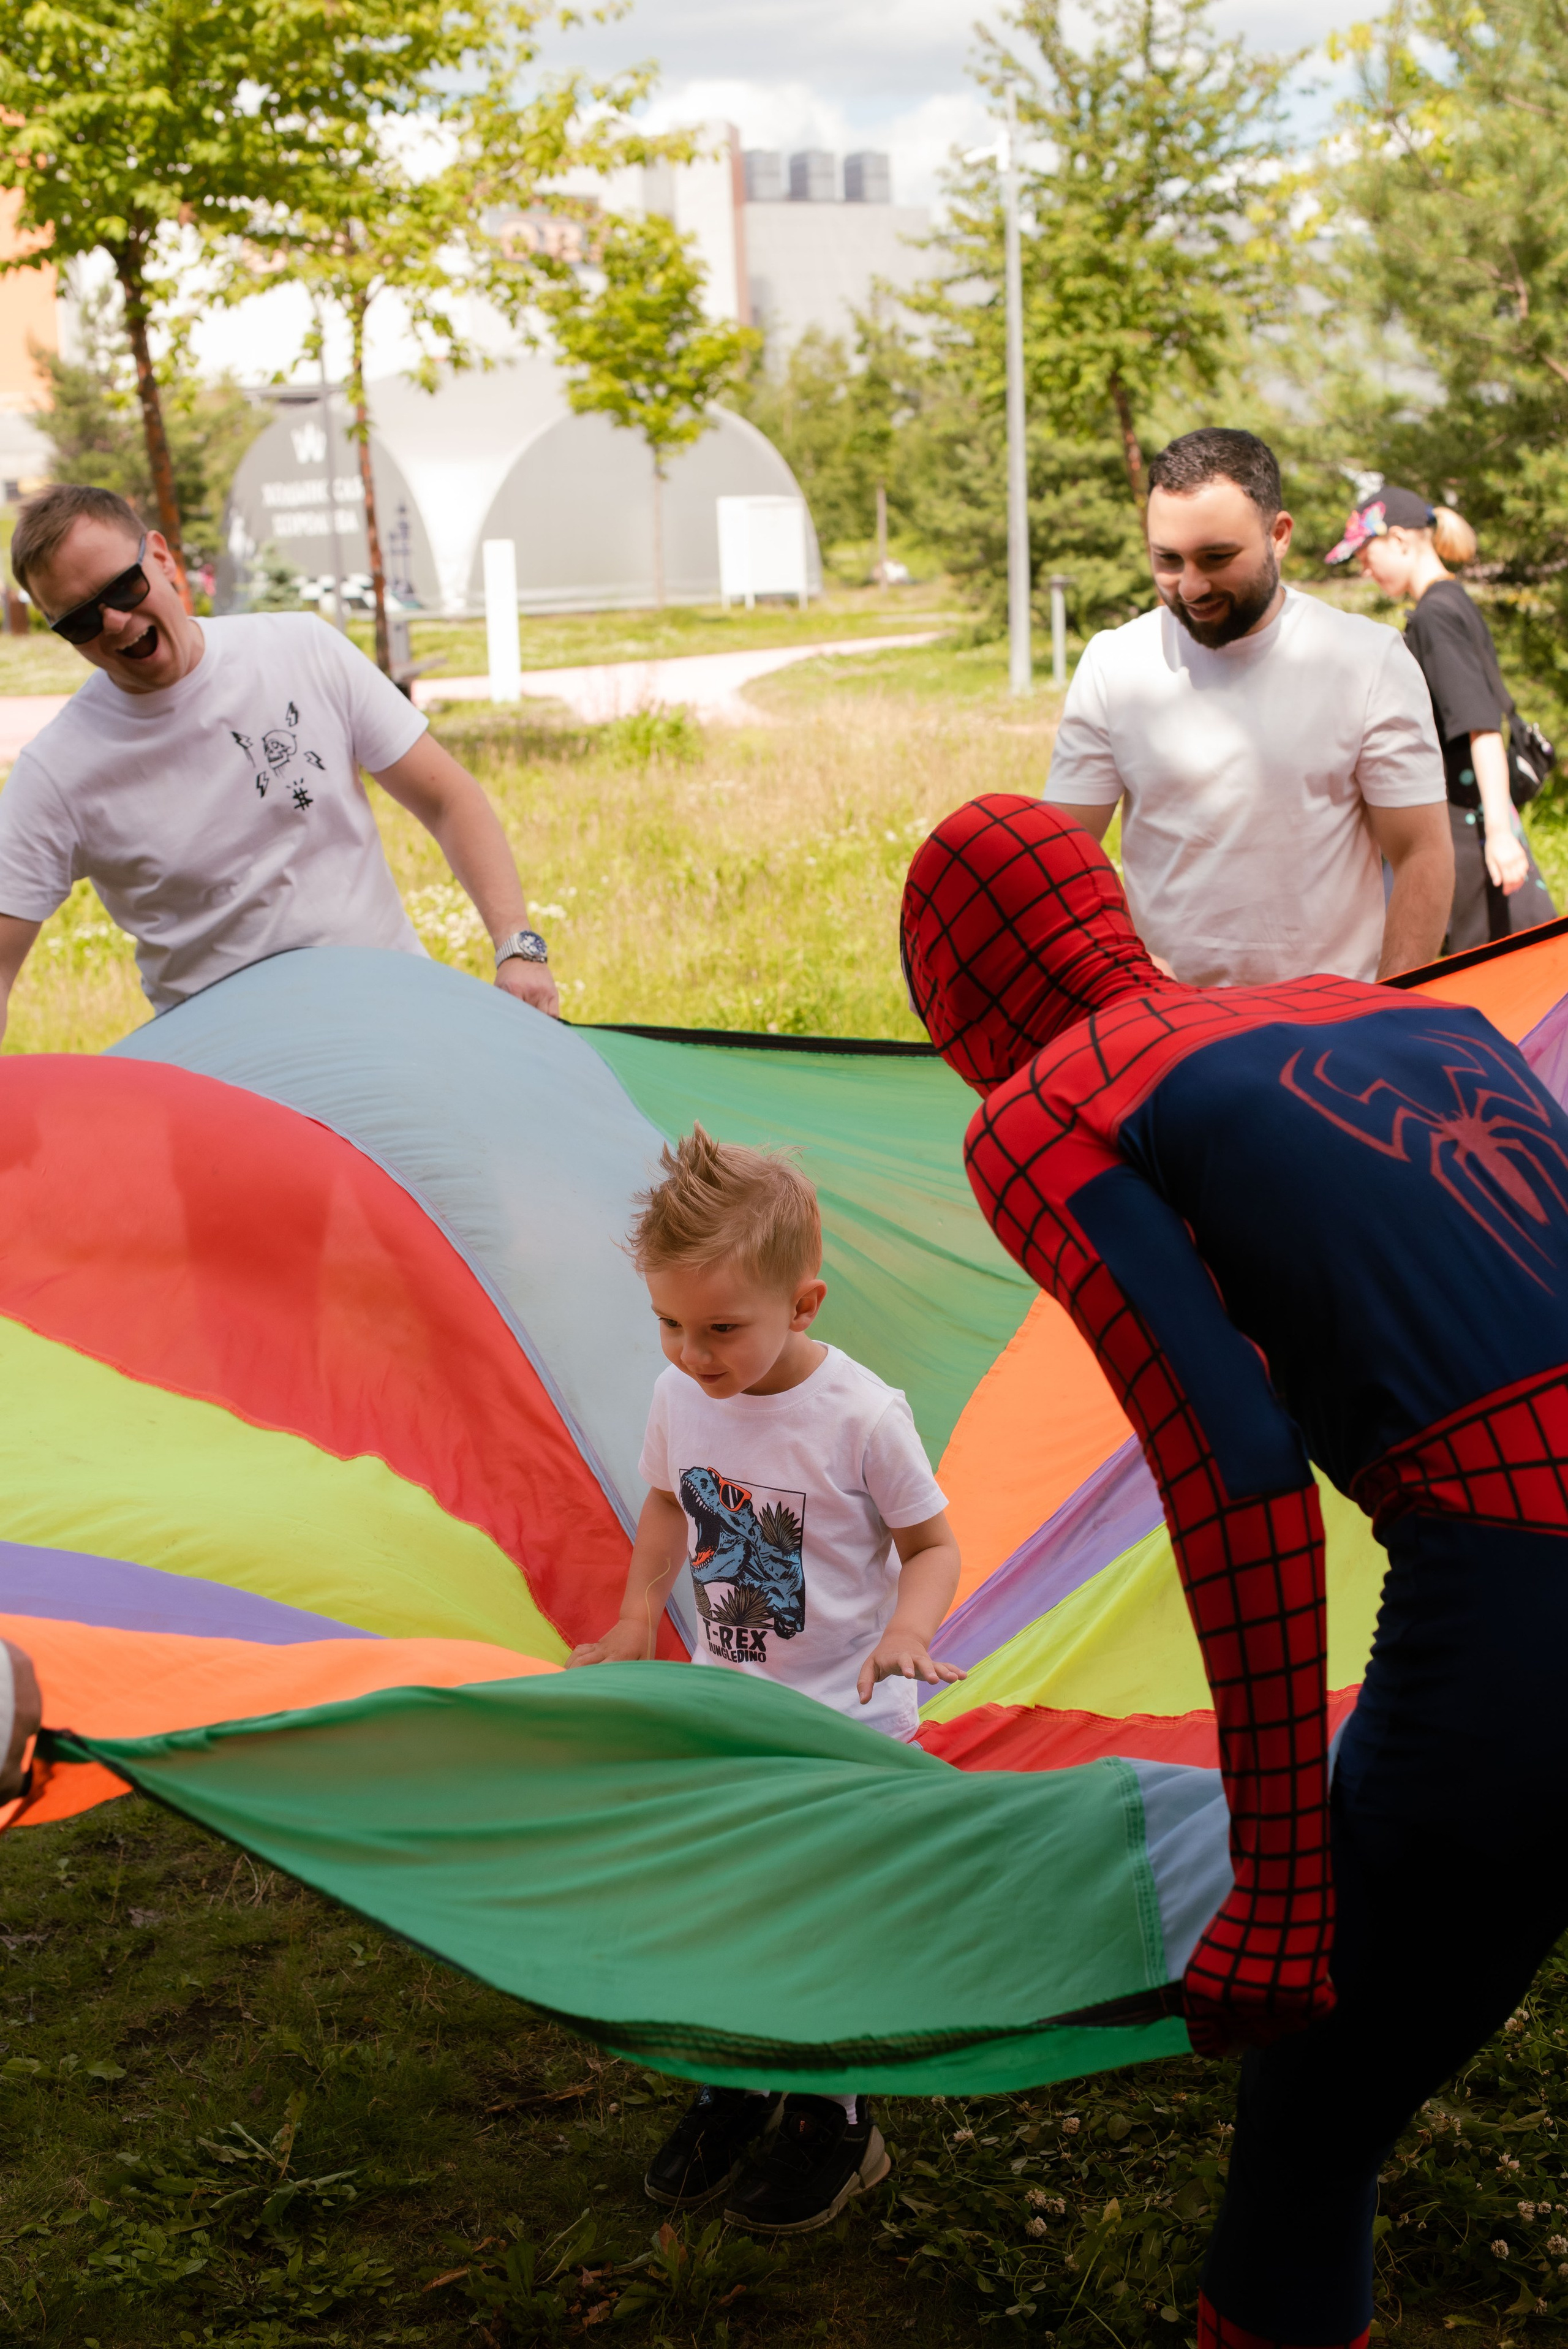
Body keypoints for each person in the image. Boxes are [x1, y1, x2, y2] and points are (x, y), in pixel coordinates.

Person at [901, 793, 1568, 2349]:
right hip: (1513, 1569)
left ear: (953, 1003)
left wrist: (1279, 1884)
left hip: (1520, 1587)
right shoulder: (1380, 1007)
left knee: (1311, 2123)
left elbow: (1234, 1475)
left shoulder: (1038, 1108)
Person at [567, 1125, 963, 2234]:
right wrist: (639, 1613)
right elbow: (664, 1502)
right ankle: (736, 2082)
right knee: (733, 1909)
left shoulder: (861, 1416)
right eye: (671, 1324)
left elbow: (932, 1544)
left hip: (851, 1724)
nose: (692, 1353)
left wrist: (907, 1633)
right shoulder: (679, 1396)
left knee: (823, 1923)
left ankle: (835, 2121)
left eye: (721, 1329)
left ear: (806, 1303)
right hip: (736, 1712)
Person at [0, 486, 559, 1035]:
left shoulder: (301, 649)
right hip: (235, 1077)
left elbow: (447, 800)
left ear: (162, 556)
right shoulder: (56, 772)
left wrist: (519, 947)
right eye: (78, 620)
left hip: (394, 1015)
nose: (114, 623)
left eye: (123, 588)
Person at [1046, 427, 1453, 987]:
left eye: (1216, 557)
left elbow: (1421, 854)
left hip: (1327, 1037)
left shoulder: (1368, 660)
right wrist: (1117, 972)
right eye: (1167, 559)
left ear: (1279, 534)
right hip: (1163, 1030)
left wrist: (1389, 1010)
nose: (1190, 587)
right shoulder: (1113, 663)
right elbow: (1061, 861)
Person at [1326, 484, 1558, 951]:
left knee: (1485, 975)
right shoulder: (1452, 600)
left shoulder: (1436, 615)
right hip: (1477, 821)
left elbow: (1481, 725)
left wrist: (1498, 834)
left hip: (1470, 833)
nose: (1364, 568)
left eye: (1367, 554)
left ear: (1400, 541)